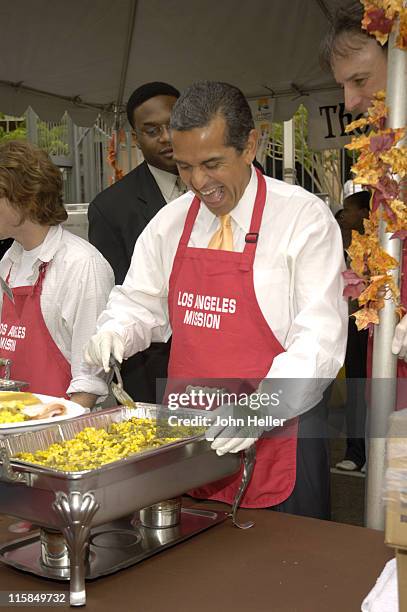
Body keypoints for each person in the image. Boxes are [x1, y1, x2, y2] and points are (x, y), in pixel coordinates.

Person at [85, 81, 347, 519]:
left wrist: (258, 410)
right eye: (185, 167)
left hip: (280, 433)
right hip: (189, 436)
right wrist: (115, 330)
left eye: (211, 164)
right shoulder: (171, 222)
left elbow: (317, 339)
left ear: (249, 145)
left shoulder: (302, 219)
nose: (198, 183)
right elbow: (139, 302)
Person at [321, 4, 407, 400]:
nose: (350, 101)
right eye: (343, 84)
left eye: (359, 79)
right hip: (390, 358)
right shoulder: (387, 152)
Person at [88, 81, 183, 404]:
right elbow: (124, 297)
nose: (166, 137)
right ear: (135, 137)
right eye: (152, 130)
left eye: (173, 124)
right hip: (153, 371)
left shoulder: (225, 186)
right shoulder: (111, 207)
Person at [0, 140, 114, 407]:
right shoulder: (8, 263)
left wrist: (58, 436)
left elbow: (91, 380)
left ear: (26, 199)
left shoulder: (82, 265)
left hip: (60, 433)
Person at [336, 189, 370, 471]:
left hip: (371, 323)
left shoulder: (379, 244)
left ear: (364, 213)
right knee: (356, 388)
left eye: (349, 209)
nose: (344, 214)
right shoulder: (340, 240)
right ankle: (355, 451)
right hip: (352, 321)